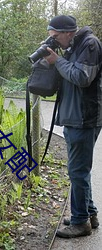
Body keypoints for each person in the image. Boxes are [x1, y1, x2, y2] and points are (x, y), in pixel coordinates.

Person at [44, 15, 102, 238]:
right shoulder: (73, 46)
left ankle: (80, 223)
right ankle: (89, 214)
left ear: (68, 32)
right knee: (79, 171)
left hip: (84, 118)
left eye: (56, 37)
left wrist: (57, 61)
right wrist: (54, 60)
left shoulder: (90, 44)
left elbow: (81, 77)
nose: (55, 41)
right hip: (74, 117)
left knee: (77, 171)